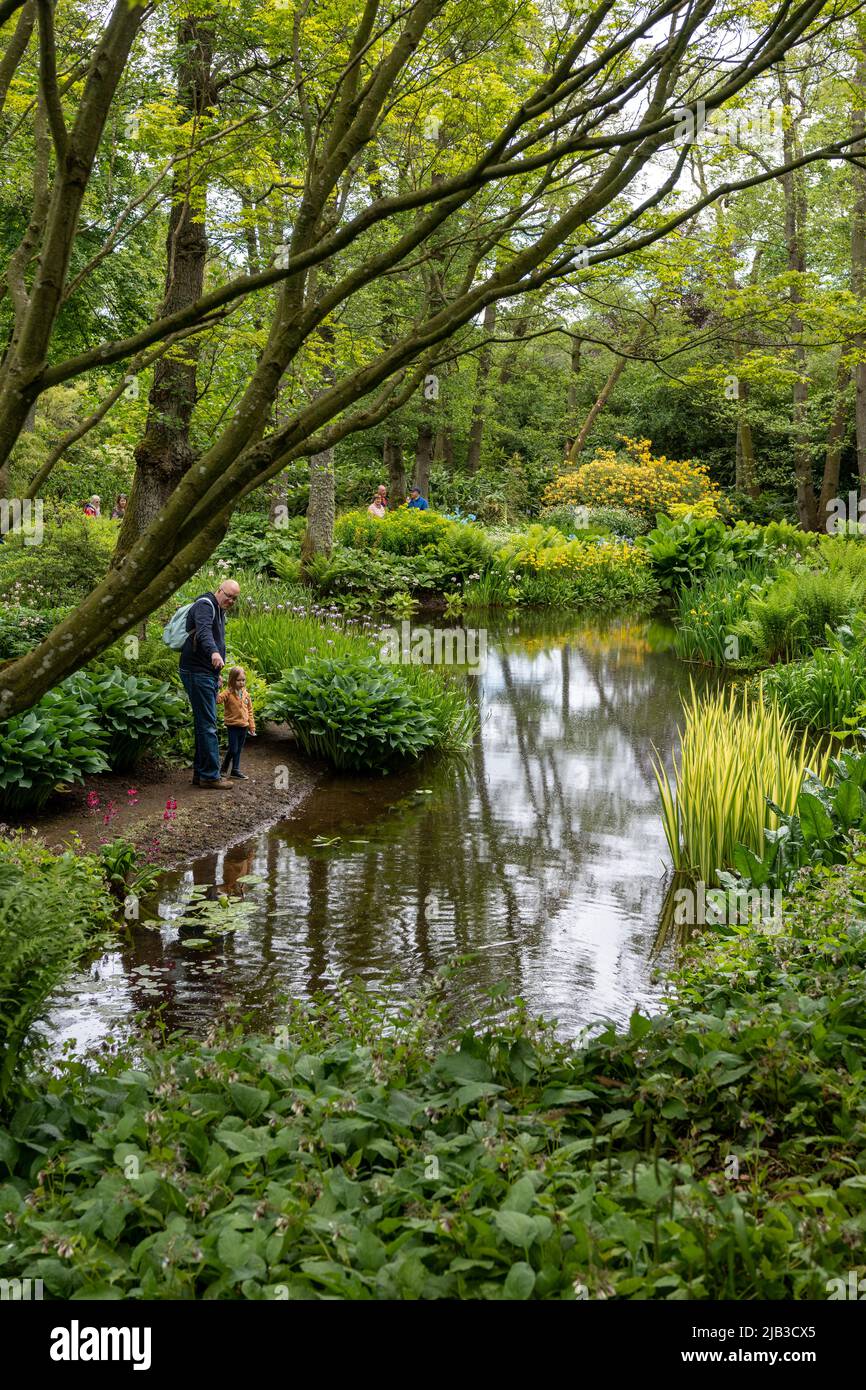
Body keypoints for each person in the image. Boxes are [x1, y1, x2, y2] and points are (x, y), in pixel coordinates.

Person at [179, 579, 240, 789]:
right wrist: (214, 653)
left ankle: (201, 773)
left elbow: (214, 637)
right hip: (197, 672)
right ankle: (210, 776)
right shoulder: (205, 605)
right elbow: (204, 632)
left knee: (203, 724)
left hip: (206, 673)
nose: (230, 600)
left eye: (234, 598)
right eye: (228, 595)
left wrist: (217, 672)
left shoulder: (219, 609)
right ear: (219, 590)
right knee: (208, 725)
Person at [218, 666, 256, 779]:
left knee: (238, 749)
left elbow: (250, 711)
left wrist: (252, 726)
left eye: (243, 680)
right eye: (238, 680)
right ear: (232, 680)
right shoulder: (228, 693)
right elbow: (218, 700)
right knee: (233, 749)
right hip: (232, 725)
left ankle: (235, 770)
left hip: (244, 726)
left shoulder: (246, 694)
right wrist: (217, 687)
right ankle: (224, 768)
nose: (241, 683)